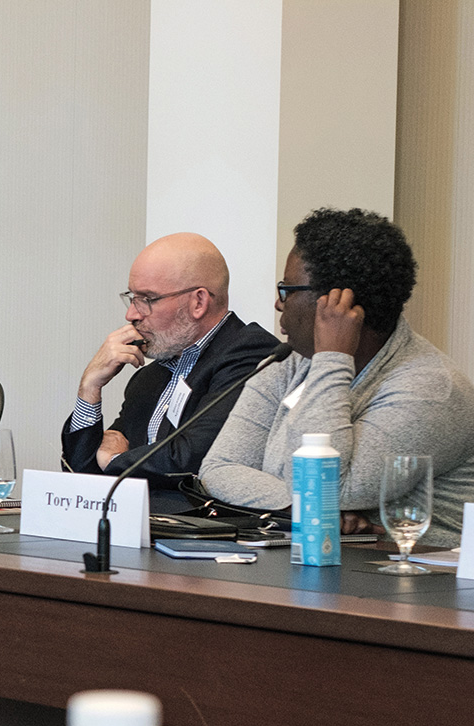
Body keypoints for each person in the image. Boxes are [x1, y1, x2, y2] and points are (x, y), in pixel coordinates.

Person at [200, 208, 474, 548]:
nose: (278, 303)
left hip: (420, 583)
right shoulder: (292, 361)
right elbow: (218, 467)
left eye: (287, 289)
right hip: (324, 565)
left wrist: (333, 358)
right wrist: (298, 506)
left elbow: (330, 488)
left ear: (336, 302)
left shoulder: (431, 389)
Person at [60, 232, 278, 488]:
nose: (131, 314)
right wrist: (90, 388)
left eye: (147, 300)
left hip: (207, 525)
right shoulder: (148, 377)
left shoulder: (251, 355)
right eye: (132, 298)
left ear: (198, 302)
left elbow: (192, 460)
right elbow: (82, 481)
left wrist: (115, 459)